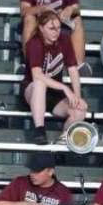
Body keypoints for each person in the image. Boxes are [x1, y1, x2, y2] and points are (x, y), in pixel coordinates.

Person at [23, 9, 88, 145]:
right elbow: (37, 75)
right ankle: (39, 130)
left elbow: (73, 70)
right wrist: (65, 88)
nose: (56, 32)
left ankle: (63, 139)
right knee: (40, 83)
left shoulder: (64, 39)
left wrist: (76, 96)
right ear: (41, 28)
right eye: (51, 28)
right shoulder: (34, 43)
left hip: (54, 93)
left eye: (58, 28)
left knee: (81, 110)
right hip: (33, 90)